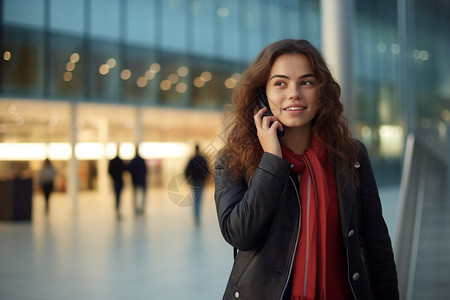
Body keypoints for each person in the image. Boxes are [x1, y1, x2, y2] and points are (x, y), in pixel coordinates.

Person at [214, 39, 399, 300]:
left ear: (321, 91)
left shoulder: (351, 156)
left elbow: (377, 247)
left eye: (306, 82)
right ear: (261, 94)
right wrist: (271, 161)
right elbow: (240, 234)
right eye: (280, 83)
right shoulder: (234, 158)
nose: (294, 93)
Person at [185, 144, 209, 225]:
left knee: (196, 200)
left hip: (194, 182)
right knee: (199, 200)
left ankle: (196, 217)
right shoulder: (203, 159)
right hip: (201, 182)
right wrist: (206, 179)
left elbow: (186, 171)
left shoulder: (192, 160)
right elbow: (207, 171)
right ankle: (197, 217)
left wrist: (189, 179)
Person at [128, 145, 148, 216]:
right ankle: (141, 208)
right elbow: (145, 170)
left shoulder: (133, 160)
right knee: (142, 195)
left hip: (136, 180)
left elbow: (130, 170)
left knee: (135, 195)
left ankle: (137, 208)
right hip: (141, 180)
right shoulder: (141, 160)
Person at [108, 150, 126, 219]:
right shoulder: (120, 161)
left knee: (117, 197)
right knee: (118, 197)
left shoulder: (113, 161)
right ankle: (118, 211)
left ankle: (117, 210)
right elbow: (124, 169)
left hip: (116, 181)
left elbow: (109, 171)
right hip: (119, 181)